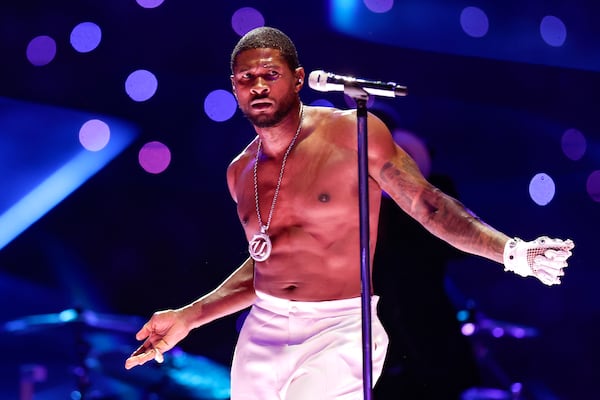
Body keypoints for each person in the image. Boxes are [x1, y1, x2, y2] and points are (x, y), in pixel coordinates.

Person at [124, 26, 574, 399]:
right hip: (262, 332)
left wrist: (513, 253)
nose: (258, 86)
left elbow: (429, 204)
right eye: (246, 78)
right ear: (235, 89)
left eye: (270, 74)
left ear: (298, 79)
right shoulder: (240, 172)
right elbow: (265, 266)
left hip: (338, 327)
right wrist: (188, 316)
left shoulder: (352, 133)